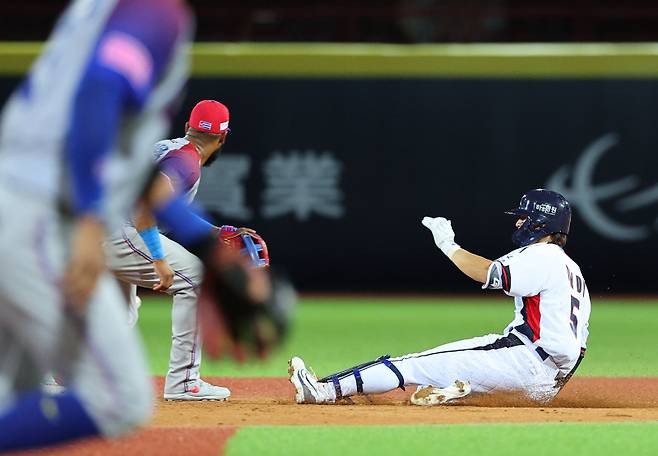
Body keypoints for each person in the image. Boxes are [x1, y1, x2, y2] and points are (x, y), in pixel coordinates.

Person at [289, 189, 591, 405]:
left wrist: (449, 245)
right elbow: (578, 346)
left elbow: (489, 273)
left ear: (541, 223)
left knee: (410, 365)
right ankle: (454, 390)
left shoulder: (542, 256)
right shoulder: (571, 270)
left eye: (524, 218)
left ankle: (323, 390)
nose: (517, 223)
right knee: (450, 367)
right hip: (548, 383)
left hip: (522, 362)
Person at [105, 100, 256, 401]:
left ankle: (60, 375)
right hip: (118, 231)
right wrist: (159, 259)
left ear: (188, 127)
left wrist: (214, 232)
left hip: (90, 228)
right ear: (223, 138)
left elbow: (162, 204)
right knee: (196, 278)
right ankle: (184, 382)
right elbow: (147, 207)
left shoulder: (168, 148)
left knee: (120, 311)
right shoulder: (186, 162)